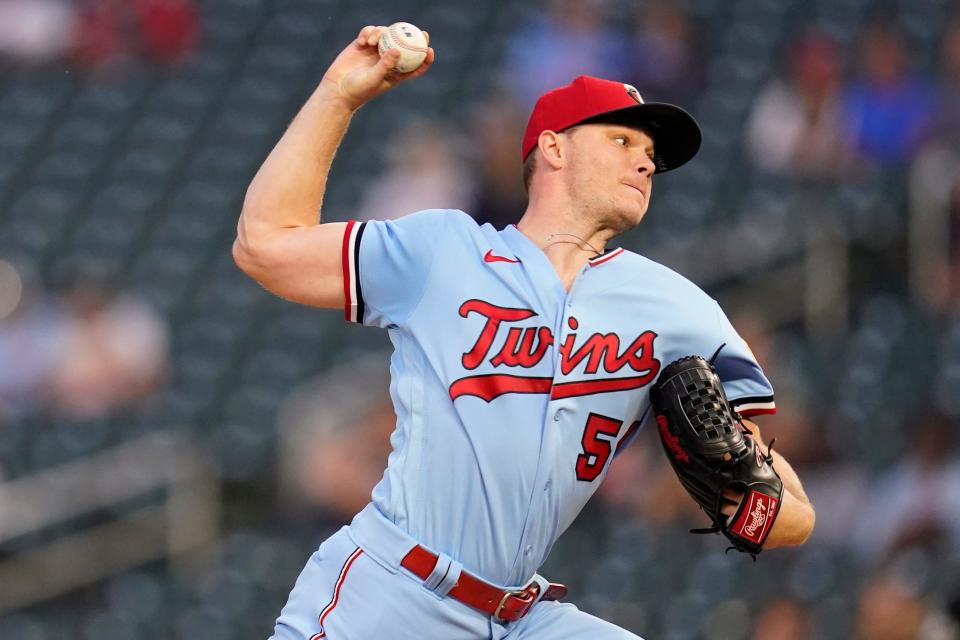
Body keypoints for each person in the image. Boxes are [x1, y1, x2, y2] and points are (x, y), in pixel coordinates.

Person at [234, 25, 816, 640]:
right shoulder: (443, 251)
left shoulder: (676, 310)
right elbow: (265, 246)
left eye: (651, 153)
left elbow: (793, 518)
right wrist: (338, 96)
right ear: (554, 149)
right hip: (392, 594)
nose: (645, 160)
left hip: (521, 617)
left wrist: (743, 490)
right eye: (622, 139)